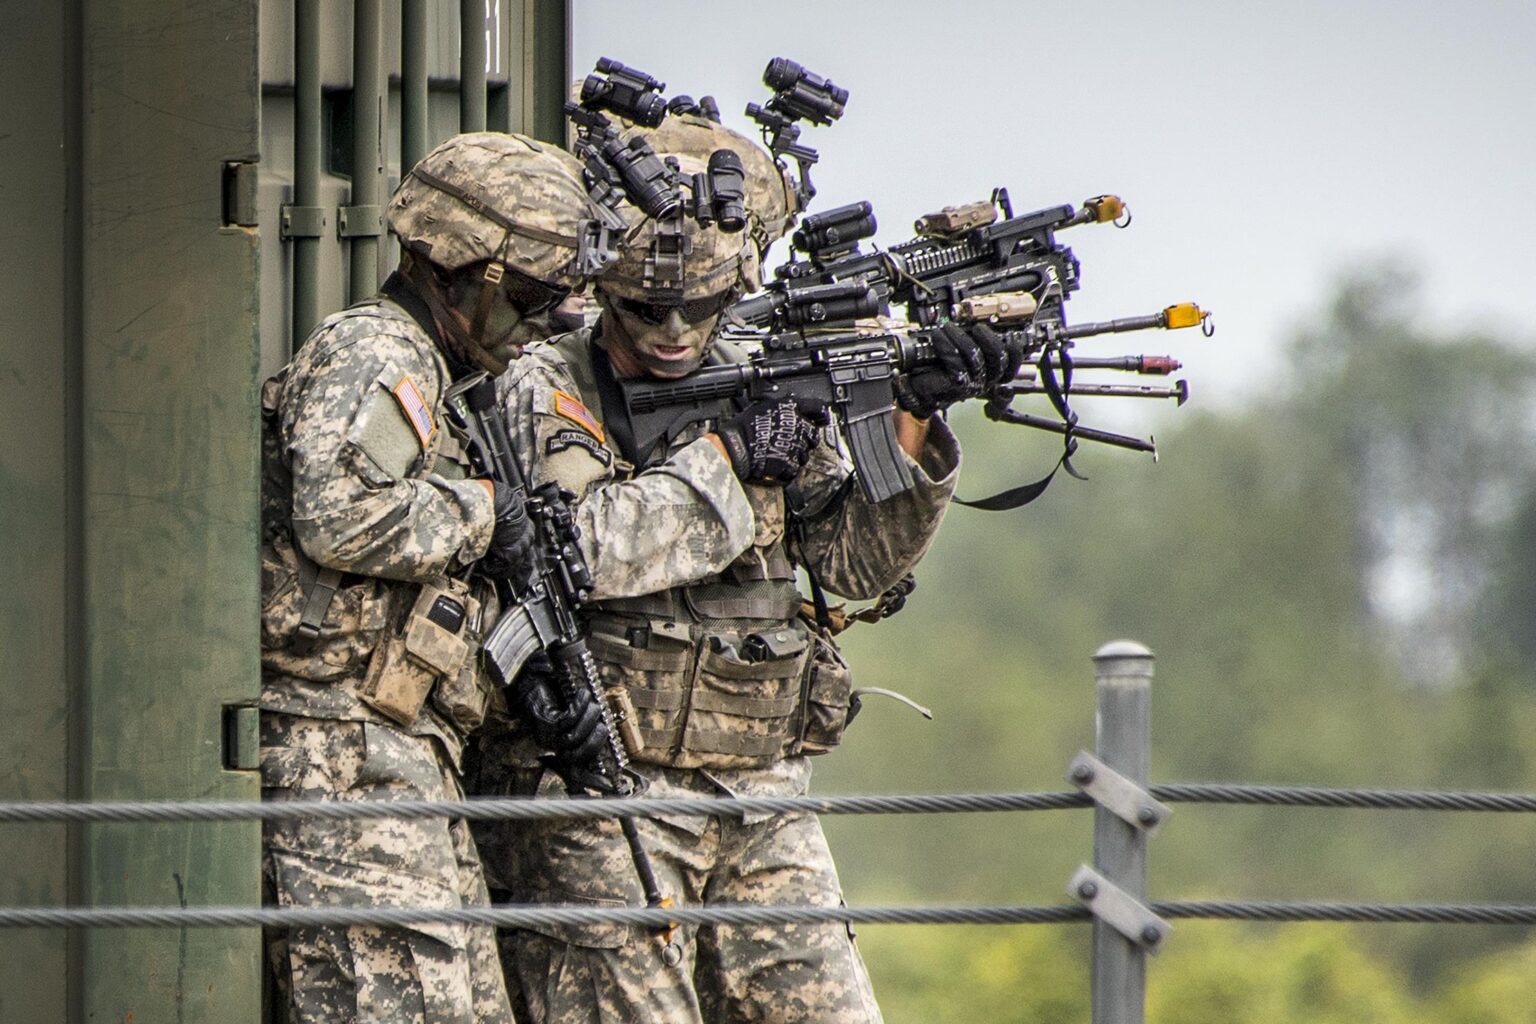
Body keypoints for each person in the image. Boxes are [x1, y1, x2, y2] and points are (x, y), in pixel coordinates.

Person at [476, 113, 1015, 1024]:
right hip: (613, 790)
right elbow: (588, 551)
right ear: (606, 292)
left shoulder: (759, 374)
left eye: (703, 305)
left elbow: (851, 563)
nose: (678, 331)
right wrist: (728, 461)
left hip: (762, 788)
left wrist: (913, 419)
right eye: (649, 309)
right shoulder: (544, 385)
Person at [258, 131, 598, 1023]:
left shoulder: (443, 382)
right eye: (525, 297)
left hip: (401, 755)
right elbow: (338, 516)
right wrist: (487, 512)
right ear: (454, 269)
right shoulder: (380, 350)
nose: (536, 326)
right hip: (342, 754)